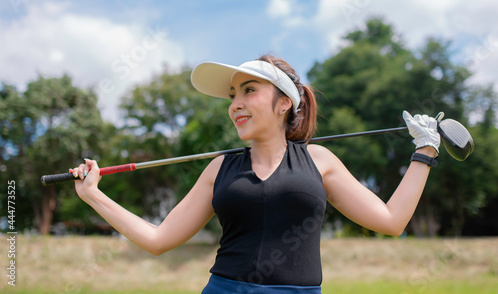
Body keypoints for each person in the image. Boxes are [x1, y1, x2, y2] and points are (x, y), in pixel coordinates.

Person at [71, 54, 442, 293]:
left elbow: (392, 221)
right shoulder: (219, 168)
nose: (235, 105)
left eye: (248, 91)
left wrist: (424, 151)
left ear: (284, 102)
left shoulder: (320, 160)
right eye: (233, 95)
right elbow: (158, 240)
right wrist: (93, 195)